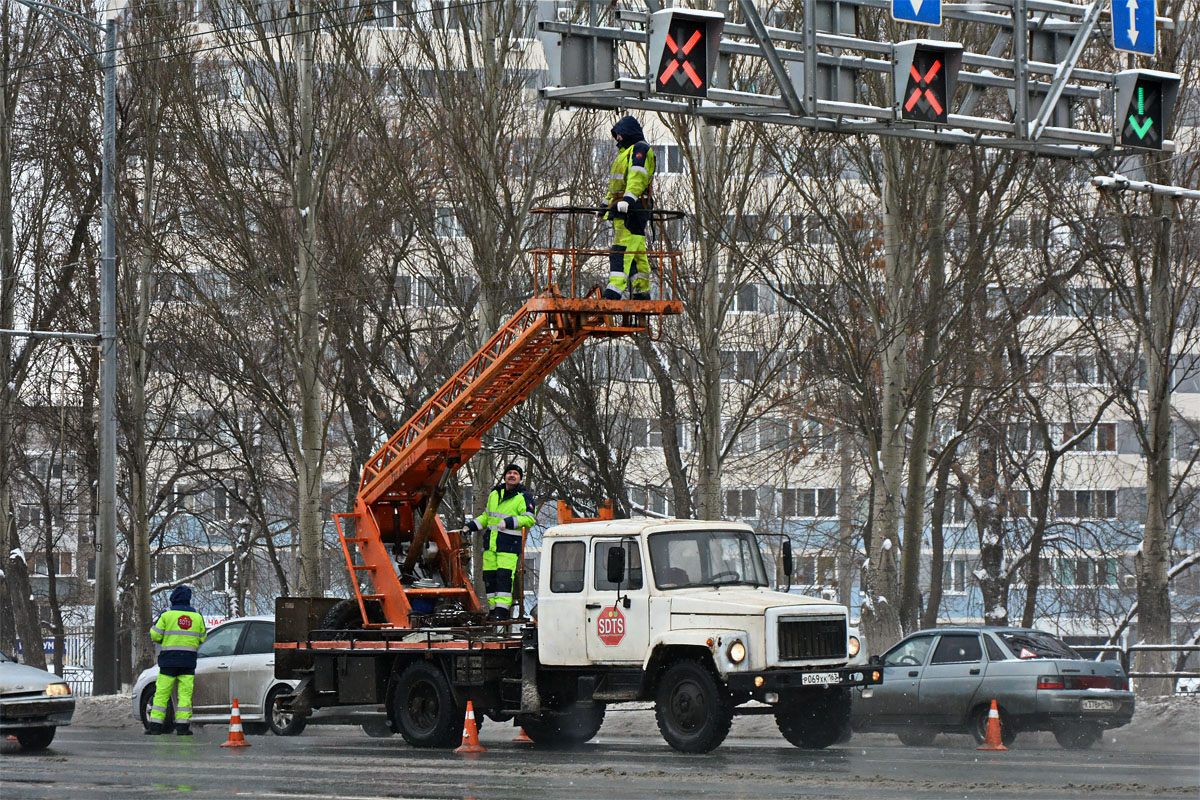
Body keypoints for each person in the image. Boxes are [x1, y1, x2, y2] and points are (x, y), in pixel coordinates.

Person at [465, 464, 536, 621]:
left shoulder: (523, 497)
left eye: (515, 474)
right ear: (505, 476)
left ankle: (502, 611)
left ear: (520, 478)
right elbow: (487, 517)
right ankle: (493, 610)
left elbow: (530, 519)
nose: (512, 475)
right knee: (489, 578)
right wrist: (470, 526)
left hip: (508, 546)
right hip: (491, 545)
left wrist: (510, 522)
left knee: (504, 577)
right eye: (509, 473)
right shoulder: (494, 494)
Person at [602, 115, 656, 302]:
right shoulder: (625, 154)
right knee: (636, 251)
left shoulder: (639, 149)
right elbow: (617, 184)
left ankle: (613, 292)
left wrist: (628, 199)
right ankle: (642, 291)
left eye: (619, 134)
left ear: (628, 133)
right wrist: (606, 203)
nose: (617, 138)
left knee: (621, 250)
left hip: (631, 210)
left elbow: (637, 176)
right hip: (625, 209)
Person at [147, 584, 207, 735]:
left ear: (173, 598)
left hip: (169, 661)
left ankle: (155, 726)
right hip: (188, 663)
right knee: (185, 696)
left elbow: (155, 635)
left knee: (162, 693)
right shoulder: (197, 616)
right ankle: (182, 727)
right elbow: (202, 637)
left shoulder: (167, 615)